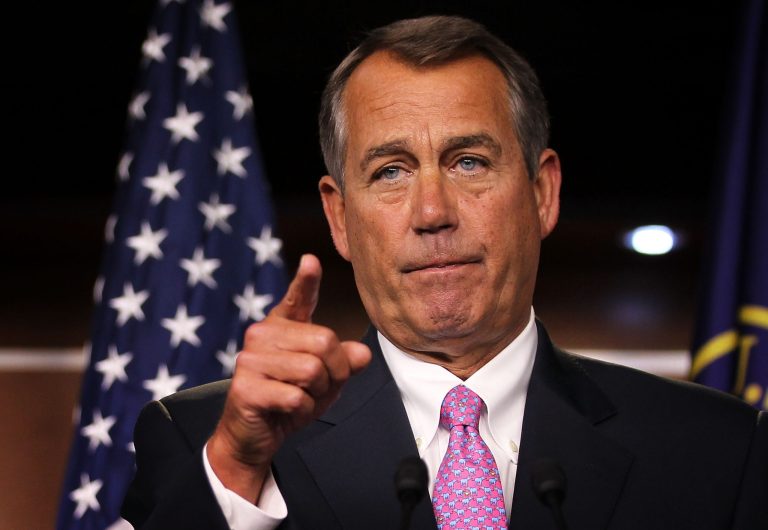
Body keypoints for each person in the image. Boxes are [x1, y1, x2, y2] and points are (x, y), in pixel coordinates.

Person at [122, 15, 767, 530]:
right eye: (391, 172)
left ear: (542, 193)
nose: (432, 212)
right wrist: (236, 467)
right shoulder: (210, 445)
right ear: (340, 218)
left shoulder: (718, 450)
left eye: (468, 163)